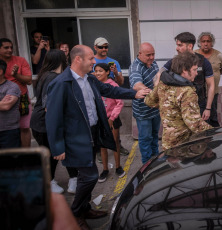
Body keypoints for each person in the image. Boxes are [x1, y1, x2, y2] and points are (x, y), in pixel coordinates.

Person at [45, 44, 150, 230]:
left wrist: (135, 93)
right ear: (78, 59)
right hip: (74, 139)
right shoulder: (61, 83)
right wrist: (57, 146)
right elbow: (53, 118)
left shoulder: (90, 79)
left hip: (92, 133)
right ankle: (76, 212)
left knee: (89, 173)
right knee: (90, 175)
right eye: (91, 58)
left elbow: (110, 90)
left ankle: (85, 208)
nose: (94, 62)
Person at [30, 49, 78, 194]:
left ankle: (73, 179)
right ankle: (50, 182)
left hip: (42, 123)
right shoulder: (51, 78)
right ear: (61, 60)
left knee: (60, 151)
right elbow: (48, 106)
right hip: (44, 124)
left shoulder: (46, 75)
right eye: (65, 58)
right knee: (53, 153)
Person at [145, 52, 212, 150]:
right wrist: (214, 133)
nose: (197, 73)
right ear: (184, 70)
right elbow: (193, 123)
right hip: (184, 145)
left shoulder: (163, 83)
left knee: (170, 165)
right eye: (194, 69)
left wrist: (167, 106)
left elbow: (148, 101)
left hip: (168, 143)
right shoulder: (187, 91)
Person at [162, 32, 215, 126]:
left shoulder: (203, 62)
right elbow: (160, 74)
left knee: (201, 135)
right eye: (177, 45)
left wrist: (208, 108)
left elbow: (211, 85)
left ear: (190, 46)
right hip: (179, 106)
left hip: (199, 105)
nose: (177, 48)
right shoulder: (174, 61)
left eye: (180, 45)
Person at [93, 37, 129, 156]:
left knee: (115, 131)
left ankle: (117, 146)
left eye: (106, 47)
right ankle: (99, 151)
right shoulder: (91, 61)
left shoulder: (114, 62)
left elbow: (120, 82)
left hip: (111, 102)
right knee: (98, 131)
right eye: (101, 47)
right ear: (95, 48)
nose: (104, 49)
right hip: (97, 102)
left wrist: (115, 73)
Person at [93, 63, 126, 182]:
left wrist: (112, 118)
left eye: (100, 71)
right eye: (96, 71)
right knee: (102, 146)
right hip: (100, 120)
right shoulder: (94, 85)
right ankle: (105, 169)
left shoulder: (113, 85)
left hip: (112, 119)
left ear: (107, 72)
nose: (97, 73)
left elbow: (119, 102)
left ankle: (118, 167)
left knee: (115, 143)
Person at [129, 42, 161, 164]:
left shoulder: (153, 63)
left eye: (153, 54)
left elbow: (158, 77)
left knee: (154, 136)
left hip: (155, 109)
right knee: (145, 138)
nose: (152, 57)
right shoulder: (135, 67)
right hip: (143, 112)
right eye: (148, 55)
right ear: (140, 54)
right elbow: (137, 84)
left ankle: (156, 160)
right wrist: (149, 92)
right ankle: (147, 165)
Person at [0, 38, 32, 147]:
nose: (9, 50)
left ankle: (26, 156)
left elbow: (29, 80)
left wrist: (15, 75)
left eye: (11, 47)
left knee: (24, 127)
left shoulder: (20, 60)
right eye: (6, 47)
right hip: (2, 98)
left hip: (21, 98)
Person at [195, 32, 222, 127]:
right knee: (199, 117)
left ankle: (213, 139)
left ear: (212, 43)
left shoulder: (218, 55)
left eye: (208, 41)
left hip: (213, 92)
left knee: (212, 116)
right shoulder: (194, 55)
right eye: (203, 41)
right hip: (197, 92)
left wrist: (215, 75)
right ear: (199, 43)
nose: (206, 44)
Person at [0, 59, 21, 148]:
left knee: (10, 160)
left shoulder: (12, 86)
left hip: (8, 132)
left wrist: (2, 104)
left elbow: (6, 106)